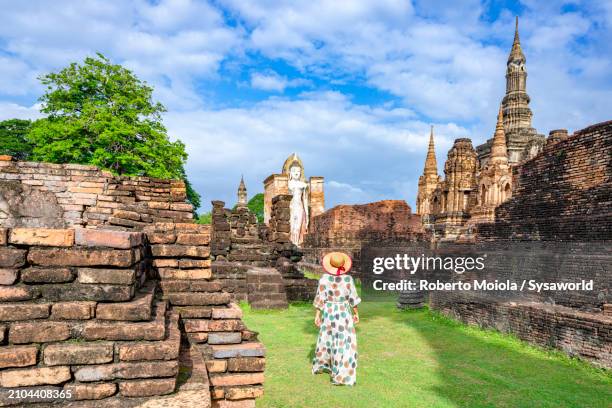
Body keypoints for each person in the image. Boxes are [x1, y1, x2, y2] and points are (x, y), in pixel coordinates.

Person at [312, 251, 361, 385]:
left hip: (329, 312)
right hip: (343, 312)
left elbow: (320, 298)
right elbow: (352, 298)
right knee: (344, 341)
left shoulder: (324, 279)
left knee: (328, 338)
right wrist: (356, 313)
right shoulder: (348, 279)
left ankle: (325, 364)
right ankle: (341, 372)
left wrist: (317, 315)